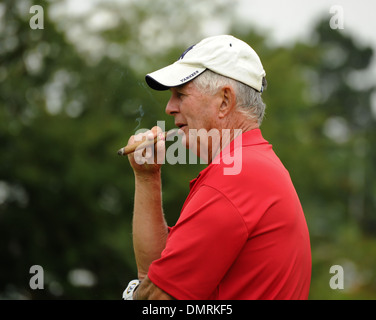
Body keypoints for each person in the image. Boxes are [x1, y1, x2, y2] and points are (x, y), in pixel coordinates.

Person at [122, 35, 311, 300]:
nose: (169, 108)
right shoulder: (250, 164)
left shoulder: (236, 176)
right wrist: (147, 178)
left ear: (224, 101)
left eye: (180, 95)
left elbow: (156, 298)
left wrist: (135, 294)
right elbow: (154, 274)